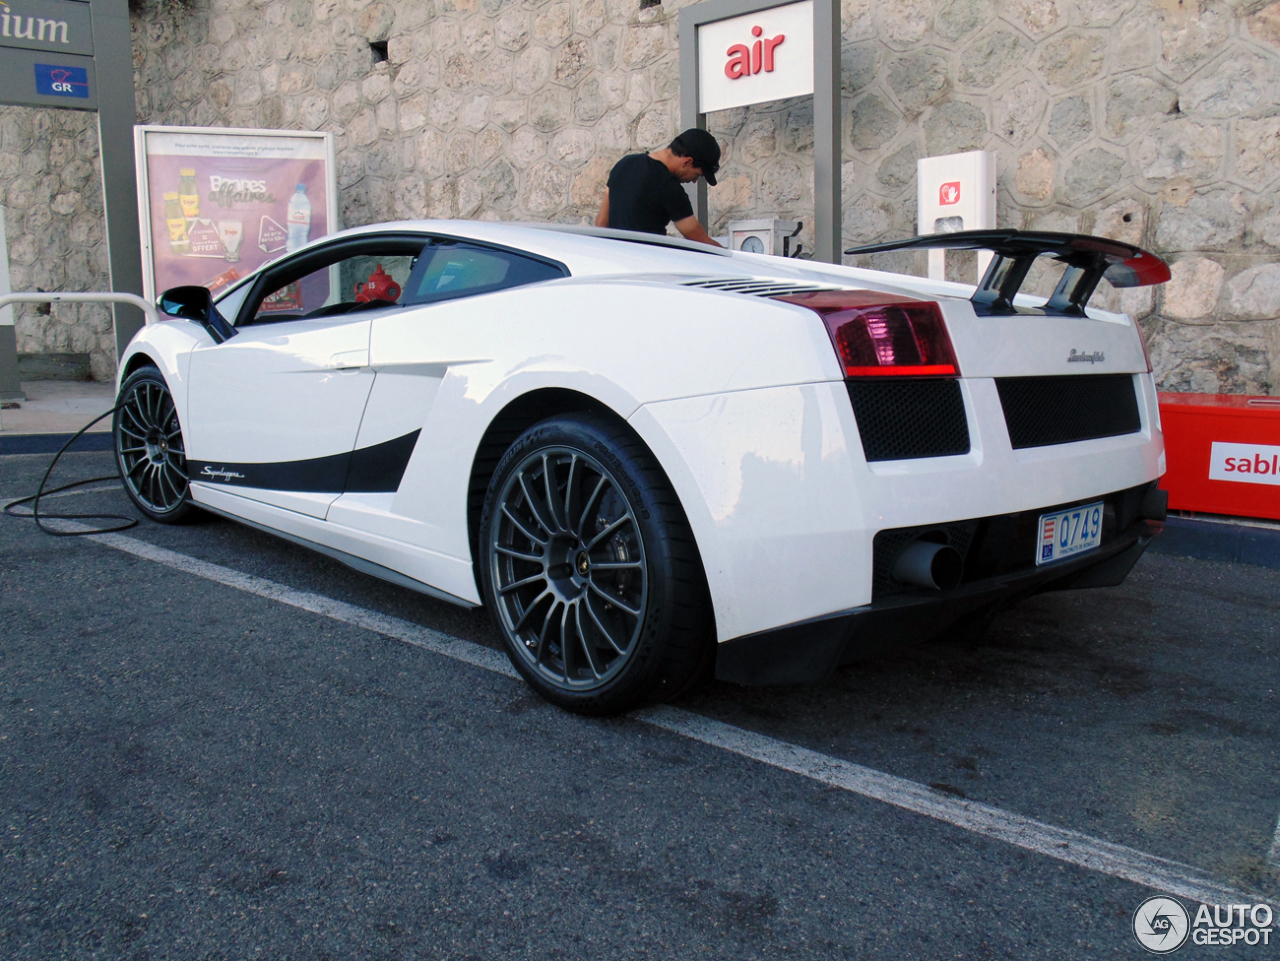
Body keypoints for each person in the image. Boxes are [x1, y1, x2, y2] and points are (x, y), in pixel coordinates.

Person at [594, 129, 722, 247]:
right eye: (697, 175)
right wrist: (734, 259)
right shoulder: (669, 187)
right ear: (687, 162)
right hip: (647, 262)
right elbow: (701, 241)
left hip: (616, 259)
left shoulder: (624, 164)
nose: (694, 181)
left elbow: (601, 223)